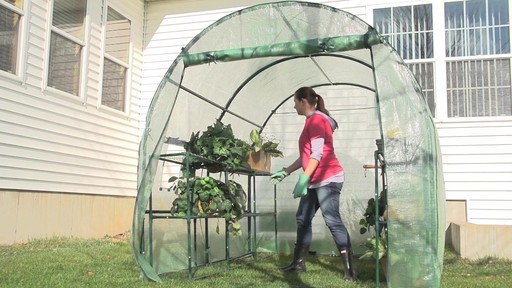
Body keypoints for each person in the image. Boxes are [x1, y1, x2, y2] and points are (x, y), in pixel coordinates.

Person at [270, 86, 356, 280]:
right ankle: (298, 263)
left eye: (295, 102)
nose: (294, 106)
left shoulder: (317, 121)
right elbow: (306, 155)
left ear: (303, 101)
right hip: (315, 179)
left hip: (328, 178)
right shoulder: (311, 121)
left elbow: (317, 155)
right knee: (302, 218)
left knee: (331, 219)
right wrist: (286, 171)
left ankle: (350, 270)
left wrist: (304, 178)